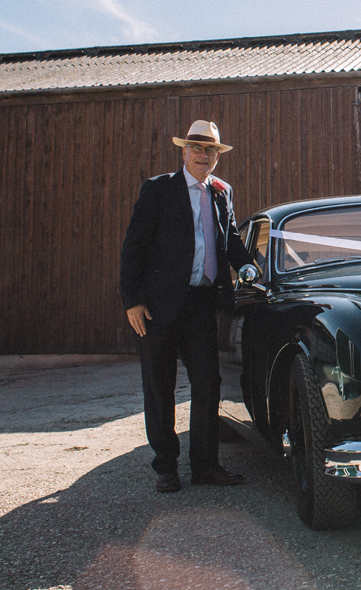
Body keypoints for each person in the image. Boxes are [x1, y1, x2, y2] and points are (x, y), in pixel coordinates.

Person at [119, 120, 254, 492]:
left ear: (217, 157)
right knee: (159, 385)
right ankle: (166, 466)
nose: (203, 155)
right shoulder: (159, 190)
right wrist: (132, 301)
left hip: (201, 304)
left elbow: (231, 242)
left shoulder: (221, 193)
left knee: (208, 383)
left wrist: (246, 264)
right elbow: (134, 247)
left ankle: (205, 465)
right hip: (157, 307)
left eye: (210, 150)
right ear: (184, 152)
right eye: (197, 148)